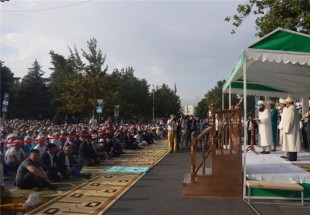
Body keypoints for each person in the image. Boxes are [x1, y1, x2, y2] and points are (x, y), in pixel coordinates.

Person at [279, 95, 301, 161]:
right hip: (291, 129)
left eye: (287, 103)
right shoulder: (292, 109)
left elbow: (290, 120)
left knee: (292, 143)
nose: (286, 104)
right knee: (291, 143)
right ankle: (291, 156)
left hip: (291, 130)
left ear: (289, 102)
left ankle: (293, 157)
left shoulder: (291, 109)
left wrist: (286, 129)